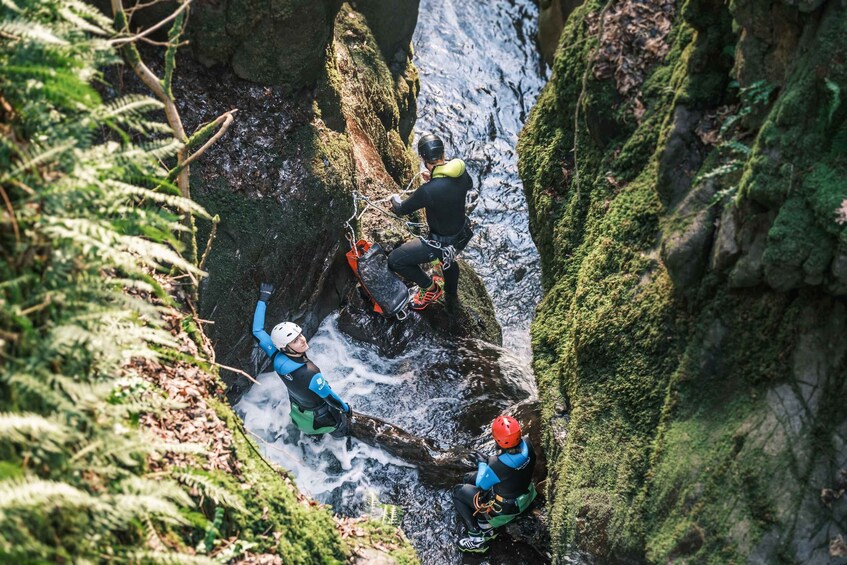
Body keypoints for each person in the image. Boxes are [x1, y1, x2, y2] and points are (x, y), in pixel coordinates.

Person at [251, 283, 350, 438]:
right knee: (340, 427)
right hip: (321, 414)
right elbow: (331, 398)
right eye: (296, 341)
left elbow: (257, 330)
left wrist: (263, 298)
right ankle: (339, 435)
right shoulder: (310, 373)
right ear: (285, 347)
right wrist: (346, 409)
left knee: (313, 428)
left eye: (300, 335)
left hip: (298, 405)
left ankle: (314, 437)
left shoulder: (277, 356)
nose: (303, 340)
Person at [388, 133, 474, 310]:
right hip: (461, 235)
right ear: (443, 153)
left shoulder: (427, 191)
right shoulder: (461, 173)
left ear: (423, 158)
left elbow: (401, 209)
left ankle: (431, 288)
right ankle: (451, 294)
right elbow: (465, 185)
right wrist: (436, 177)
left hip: (439, 243)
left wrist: (394, 198)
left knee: (395, 260)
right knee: (448, 261)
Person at [452, 415, 537, 553]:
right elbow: (509, 470)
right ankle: (484, 525)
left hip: (506, 511)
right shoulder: (528, 444)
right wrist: (488, 462)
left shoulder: (497, 465)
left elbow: (481, 485)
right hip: (526, 496)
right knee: (468, 478)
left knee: (458, 491)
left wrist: (481, 462)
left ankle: (477, 537)